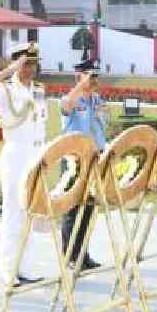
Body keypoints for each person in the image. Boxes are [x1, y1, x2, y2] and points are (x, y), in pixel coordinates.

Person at [0, 42, 46, 288]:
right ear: (16, 63)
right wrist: (9, 70)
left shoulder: (39, 89)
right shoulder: (4, 88)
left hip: (36, 154)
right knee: (12, 213)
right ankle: (8, 269)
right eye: (25, 63)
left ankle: (24, 266)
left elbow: (40, 124)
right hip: (16, 154)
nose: (30, 68)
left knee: (29, 212)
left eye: (33, 63)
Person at [60, 59, 107, 270]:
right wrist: (80, 85)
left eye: (95, 76)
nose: (94, 80)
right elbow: (66, 106)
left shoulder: (97, 100)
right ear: (79, 76)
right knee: (72, 208)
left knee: (88, 208)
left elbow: (104, 121)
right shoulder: (71, 98)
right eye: (90, 76)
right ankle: (70, 255)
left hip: (95, 157)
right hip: (74, 160)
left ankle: (83, 254)